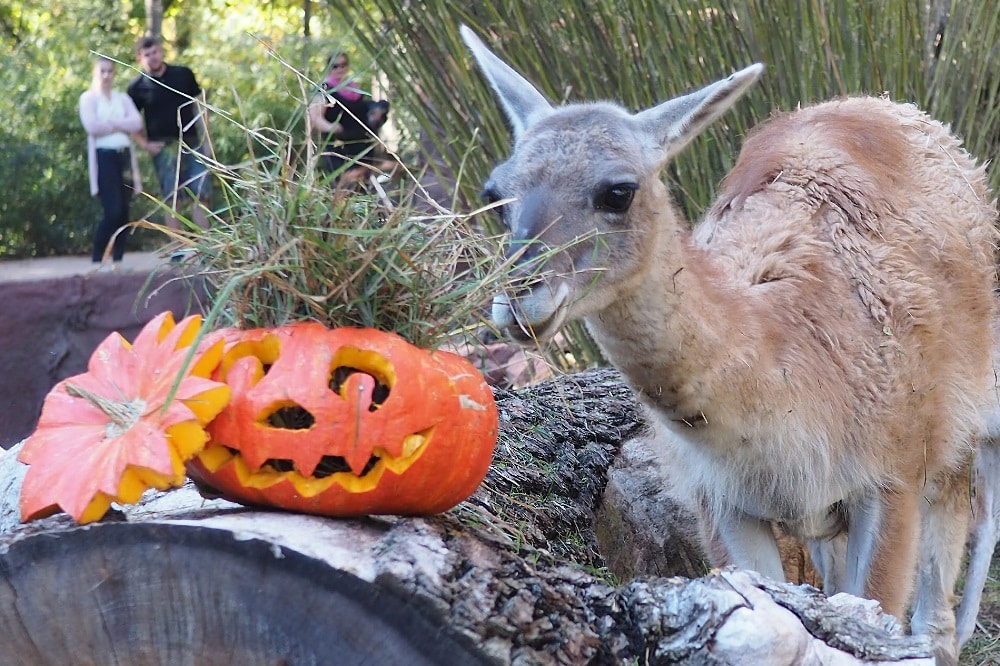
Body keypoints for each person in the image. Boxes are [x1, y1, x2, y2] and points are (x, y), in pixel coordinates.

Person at [127, 35, 211, 230]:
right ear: (140, 58)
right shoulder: (136, 87)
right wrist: (144, 143)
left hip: (191, 142)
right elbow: (130, 120)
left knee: (201, 193)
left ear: (161, 51)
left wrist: (207, 140)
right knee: (172, 198)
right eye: (147, 54)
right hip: (163, 147)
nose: (153, 57)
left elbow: (200, 107)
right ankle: (179, 251)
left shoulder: (183, 74)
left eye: (155, 52)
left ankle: (207, 247)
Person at [79, 55, 144, 270]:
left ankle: (118, 261)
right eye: (102, 71)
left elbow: (136, 122)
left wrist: (112, 123)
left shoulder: (122, 98)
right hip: (104, 156)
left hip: (123, 156)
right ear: (95, 72)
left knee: (125, 212)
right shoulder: (88, 98)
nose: (106, 75)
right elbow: (92, 127)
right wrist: (120, 125)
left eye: (110, 71)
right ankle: (98, 260)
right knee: (112, 210)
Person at [308, 53, 391, 180]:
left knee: (363, 186)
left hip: (362, 147)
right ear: (329, 67)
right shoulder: (324, 89)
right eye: (335, 66)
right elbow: (314, 117)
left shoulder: (354, 88)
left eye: (343, 65)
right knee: (344, 186)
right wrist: (331, 127)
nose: (340, 69)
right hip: (339, 147)